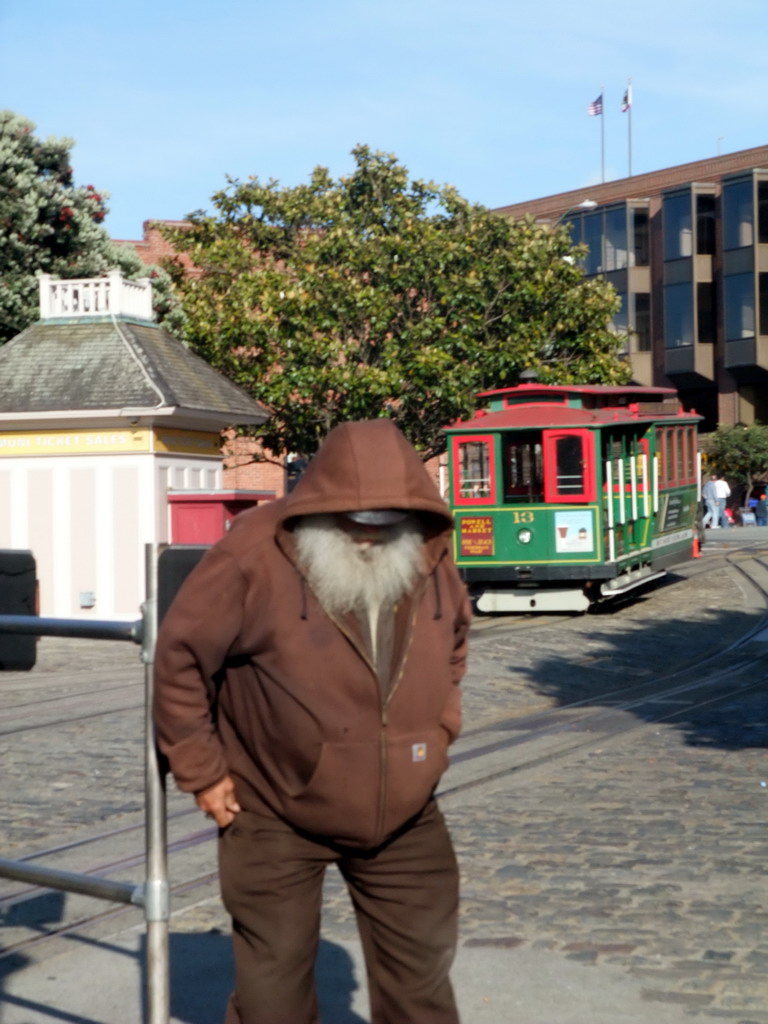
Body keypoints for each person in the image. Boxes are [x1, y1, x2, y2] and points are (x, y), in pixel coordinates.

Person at [153, 419, 472, 1024]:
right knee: (273, 999)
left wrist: (440, 732)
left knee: (422, 989)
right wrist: (202, 773)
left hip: (406, 812)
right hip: (273, 808)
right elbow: (180, 659)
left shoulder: (430, 553)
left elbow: (455, 641)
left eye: (385, 522)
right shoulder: (252, 553)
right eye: (353, 522)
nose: (369, 537)